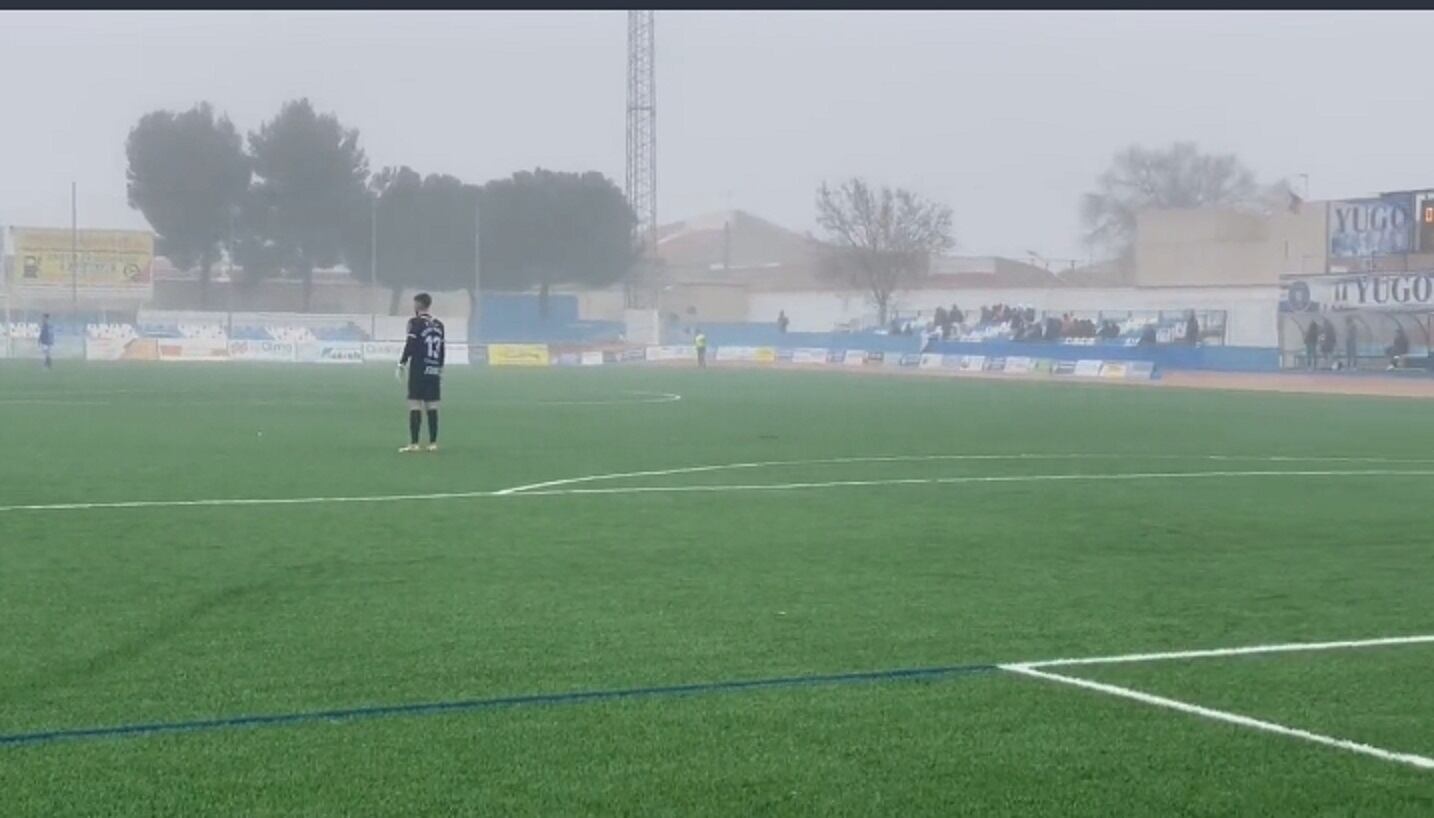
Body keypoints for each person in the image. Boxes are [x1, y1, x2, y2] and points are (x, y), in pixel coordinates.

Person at [397, 293, 445, 453]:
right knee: (432, 406)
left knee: (414, 404)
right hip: (433, 369)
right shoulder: (439, 325)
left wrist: (402, 363)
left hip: (418, 368)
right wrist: (439, 368)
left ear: (418, 304)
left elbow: (410, 344)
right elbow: (442, 350)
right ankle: (433, 443)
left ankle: (414, 443)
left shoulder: (415, 323)